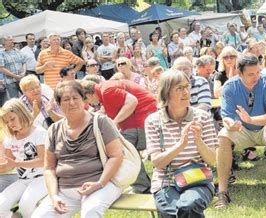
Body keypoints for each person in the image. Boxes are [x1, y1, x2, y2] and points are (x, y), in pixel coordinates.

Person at [32, 81, 123, 217]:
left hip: (101, 185)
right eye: (66, 99)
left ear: (83, 99)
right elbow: (49, 168)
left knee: (90, 213)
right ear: (58, 103)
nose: (72, 103)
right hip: (65, 192)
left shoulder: (100, 122)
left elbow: (116, 155)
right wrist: (53, 196)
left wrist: (99, 183)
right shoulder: (54, 129)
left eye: (75, 98)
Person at [215, 54, 266, 208]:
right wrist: (231, 125)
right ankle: (222, 193)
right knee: (223, 136)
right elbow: (226, 117)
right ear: (239, 73)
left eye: (258, 72)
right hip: (242, 128)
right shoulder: (230, 86)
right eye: (251, 74)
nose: (256, 76)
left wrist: (251, 119)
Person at [145, 69, 217, 217]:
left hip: (198, 179)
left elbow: (212, 160)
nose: (186, 92)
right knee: (171, 213)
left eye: (187, 87)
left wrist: (199, 141)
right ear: (166, 93)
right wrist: (181, 145)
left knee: (188, 206)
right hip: (166, 182)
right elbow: (157, 163)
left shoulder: (202, 117)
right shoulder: (153, 121)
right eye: (179, 88)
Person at [80, 78, 157, 194]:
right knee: (124, 151)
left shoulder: (106, 91)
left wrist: (115, 122)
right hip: (142, 119)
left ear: (88, 95)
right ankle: (142, 186)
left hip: (141, 121)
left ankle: (142, 187)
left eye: (86, 100)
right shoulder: (104, 89)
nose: (89, 104)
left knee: (121, 151)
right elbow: (106, 109)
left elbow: (132, 101)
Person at [0, 98, 47, 218]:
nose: (10, 124)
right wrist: (4, 165)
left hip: (42, 179)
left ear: (22, 113)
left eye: (12, 119)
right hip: (22, 180)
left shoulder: (39, 133)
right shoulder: (10, 138)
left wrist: (16, 163)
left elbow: (43, 161)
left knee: (25, 205)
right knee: (1, 207)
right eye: (7, 122)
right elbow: (8, 163)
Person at [0, 35, 26, 102]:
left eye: (12, 40)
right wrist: (14, 76)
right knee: (15, 101)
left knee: (27, 97)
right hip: (10, 82)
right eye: (10, 40)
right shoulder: (1, 53)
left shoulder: (17, 51)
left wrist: (24, 72)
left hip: (22, 79)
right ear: (4, 42)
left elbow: (24, 63)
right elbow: (1, 68)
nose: (12, 41)